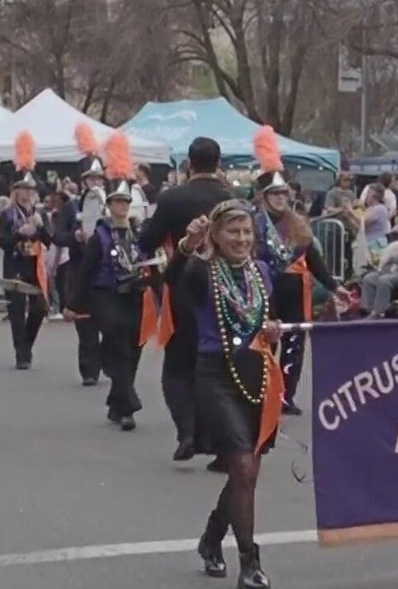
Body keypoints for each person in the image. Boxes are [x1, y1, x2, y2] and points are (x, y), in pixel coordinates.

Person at [169, 200, 281, 589]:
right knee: (244, 468)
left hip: (255, 374)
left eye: (247, 231)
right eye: (233, 231)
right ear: (216, 236)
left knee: (245, 475)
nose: (242, 238)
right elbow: (174, 277)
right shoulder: (202, 272)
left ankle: (211, 539)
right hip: (216, 375)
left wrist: (271, 332)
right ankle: (249, 563)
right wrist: (187, 244)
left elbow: (262, 321)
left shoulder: (262, 271)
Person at [136, 136, 235, 462]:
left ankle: (188, 431)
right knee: (219, 367)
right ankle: (221, 441)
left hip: (183, 284)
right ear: (217, 164)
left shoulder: (173, 198)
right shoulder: (232, 200)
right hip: (225, 287)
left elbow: (147, 240)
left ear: (189, 164)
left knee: (178, 367)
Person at [251, 128, 347, 415]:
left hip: (294, 291)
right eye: (275, 194)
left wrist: (333, 286)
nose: (281, 198)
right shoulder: (253, 223)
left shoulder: (298, 225)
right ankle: (262, 391)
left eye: (284, 193)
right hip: (266, 290)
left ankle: (285, 396)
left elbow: (313, 258)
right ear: (264, 197)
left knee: (294, 343)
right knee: (266, 341)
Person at [64, 135, 153, 431]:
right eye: (117, 201)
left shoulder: (139, 234)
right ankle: (128, 406)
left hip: (134, 295)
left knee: (134, 348)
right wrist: (73, 305)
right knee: (117, 341)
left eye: (126, 202)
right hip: (107, 295)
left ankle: (116, 403)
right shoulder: (100, 236)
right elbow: (86, 272)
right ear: (109, 205)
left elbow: (150, 264)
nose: (122, 207)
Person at [0, 131, 51, 369]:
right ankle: (22, 354)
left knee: (39, 307)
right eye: (24, 189)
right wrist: (20, 233)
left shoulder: (39, 213)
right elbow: (3, 241)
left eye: (31, 189)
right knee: (17, 312)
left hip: (34, 265)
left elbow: (50, 239)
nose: (28, 193)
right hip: (15, 264)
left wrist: (39, 228)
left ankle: (27, 343)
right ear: (16, 191)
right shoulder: (7, 214)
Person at [55, 153, 106, 385]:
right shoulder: (71, 207)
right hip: (79, 268)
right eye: (91, 178)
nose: (95, 182)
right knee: (84, 324)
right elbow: (58, 236)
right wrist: (74, 236)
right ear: (84, 180)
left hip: (104, 271)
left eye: (99, 179)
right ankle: (89, 371)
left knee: (107, 322)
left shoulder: (110, 205)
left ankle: (105, 362)